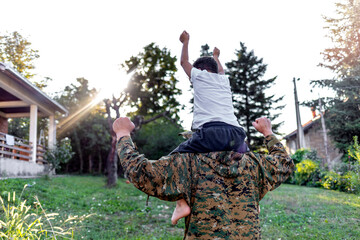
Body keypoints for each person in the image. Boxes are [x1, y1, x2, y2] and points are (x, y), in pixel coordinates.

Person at [114, 116, 294, 239]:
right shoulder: (254, 163)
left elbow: (139, 171)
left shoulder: (187, 162)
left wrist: (122, 133)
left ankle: (181, 203)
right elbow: (284, 163)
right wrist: (268, 132)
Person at [170, 30, 249, 224]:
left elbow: (184, 63)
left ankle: (181, 203)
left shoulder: (199, 75)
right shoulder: (223, 80)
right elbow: (220, 70)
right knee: (238, 162)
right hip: (237, 136)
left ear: (201, 71)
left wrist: (185, 42)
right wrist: (216, 57)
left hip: (212, 132)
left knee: (175, 158)